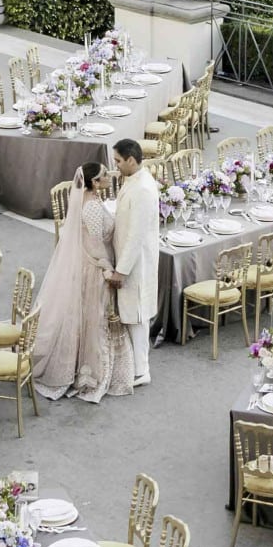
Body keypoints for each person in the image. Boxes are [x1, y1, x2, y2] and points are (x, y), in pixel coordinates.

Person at [30, 162, 127, 402]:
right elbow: (94, 243)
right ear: (94, 182)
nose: (108, 177)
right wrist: (107, 266)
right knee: (93, 316)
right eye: (104, 175)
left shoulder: (89, 199)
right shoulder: (92, 206)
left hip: (87, 264)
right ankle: (87, 371)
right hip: (94, 268)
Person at [109, 139, 161, 387]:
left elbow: (136, 235)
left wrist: (121, 270)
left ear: (131, 160)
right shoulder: (134, 181)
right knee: (132, 313)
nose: (115, 166)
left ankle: (141, 370)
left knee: (137, 316)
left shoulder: (143, 189)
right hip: (132, 260)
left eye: (118, 161)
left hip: (137, 264)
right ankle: (137, 365)